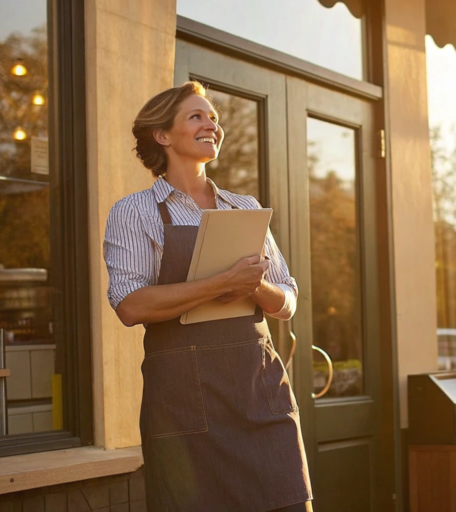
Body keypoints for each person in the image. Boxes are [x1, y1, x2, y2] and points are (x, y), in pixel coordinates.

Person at [103, 82, 312, 512]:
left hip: (259, 395)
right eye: (197, 116)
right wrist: (220, 283)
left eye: (213, 118)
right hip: (181, 405)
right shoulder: (134, 211)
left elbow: (287, 300)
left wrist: (252, 285)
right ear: (162, 135)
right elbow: (131, 306)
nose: (211, 125)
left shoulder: (244, 208)